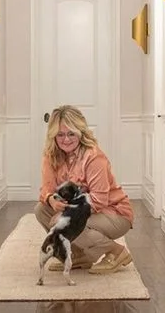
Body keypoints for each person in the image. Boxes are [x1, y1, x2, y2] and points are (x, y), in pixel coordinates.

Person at [34, 105, 134, 274]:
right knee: (41, 210)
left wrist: (67, 214)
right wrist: (51, 199)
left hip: (113, 213)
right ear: (53, 135)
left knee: (62, 222)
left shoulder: (93, 157)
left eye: (71, 133)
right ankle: (78, 255)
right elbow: (46, 189)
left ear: (80, 132)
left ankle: (116, 252)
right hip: (81, 208)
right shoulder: (50, 155)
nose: (66, 139)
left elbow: (99, 201)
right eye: (60, 134)